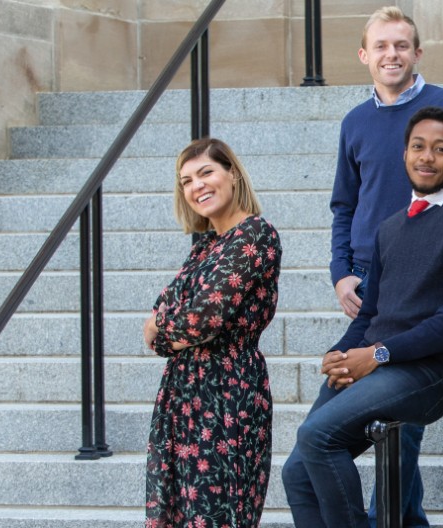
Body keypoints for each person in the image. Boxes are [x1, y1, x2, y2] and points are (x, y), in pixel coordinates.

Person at [283, 106, 443, 528]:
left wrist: (379, 354)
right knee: (297, 472)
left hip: (430, 373)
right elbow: (370, 313)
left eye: (441, 150)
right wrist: (340, 351)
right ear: (403, 153)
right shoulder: (389, 227)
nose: (427, 157)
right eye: (418, 147)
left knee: (318, 436)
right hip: (379, 362)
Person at [327, 7, 443, 526]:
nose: (391, 55)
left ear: (417, 52)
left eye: (401, 45)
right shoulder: (355, 122)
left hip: (428, 275)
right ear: (364, 56)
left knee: (399, 415)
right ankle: (404, 519)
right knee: (380, 411)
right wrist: (342, 271)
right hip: (370, 281)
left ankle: (385, 518)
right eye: (381, 46)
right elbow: (344, 205)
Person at [144, 137, 281, 527]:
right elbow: (166, 308)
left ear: (232, 174)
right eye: (186, 181)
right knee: (174, 512)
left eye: (206, 173)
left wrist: (166, 326)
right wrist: (170, 323)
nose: (196, 186)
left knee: (216, 514)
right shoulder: (205, 246)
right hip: (181, 393)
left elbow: (202, 318)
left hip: (227, 392)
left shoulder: (256, 234)